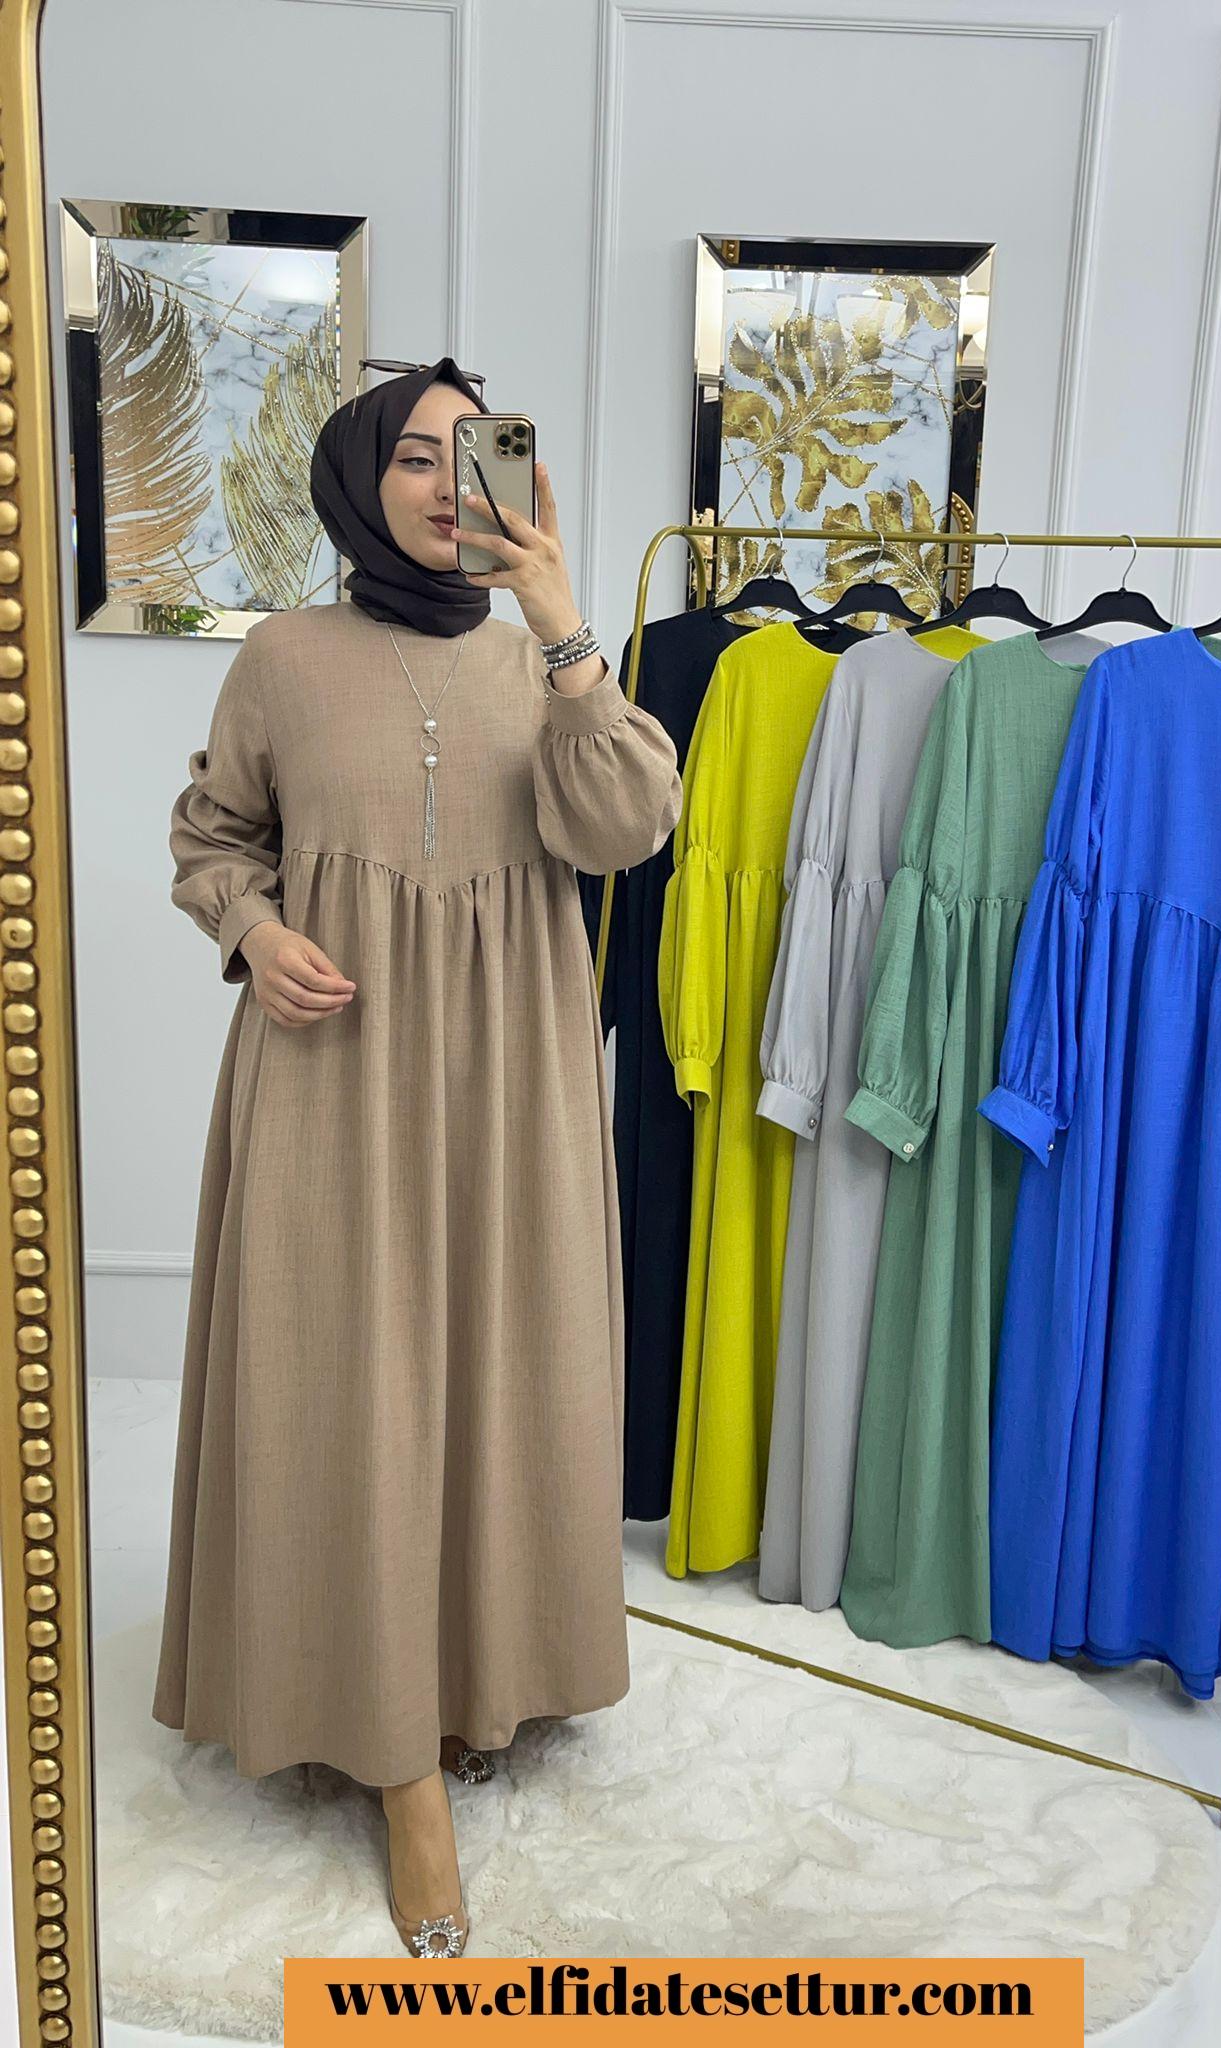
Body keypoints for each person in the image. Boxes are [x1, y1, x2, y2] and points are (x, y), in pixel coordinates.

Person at [151, 359, 682, 1957]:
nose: (455, 483)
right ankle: (397, 1768)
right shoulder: (284, 659)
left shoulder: (548, 659)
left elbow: (628, 828)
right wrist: (255, 933)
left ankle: (477, 1673)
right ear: (358, 480)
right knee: (347, 1383)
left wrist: (565, 623)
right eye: (419, 457)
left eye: (480, 451)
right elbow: (211, 836)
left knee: (504, 1372)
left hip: (513, 1077)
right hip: (336, 1072)